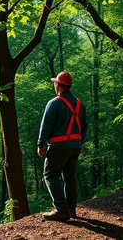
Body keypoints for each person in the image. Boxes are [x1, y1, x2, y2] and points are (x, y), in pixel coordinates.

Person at [37, 71, 87, 221]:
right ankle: (71, 209)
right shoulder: (79, 104)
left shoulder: (54, 103)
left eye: (55, 83)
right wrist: (79, 143)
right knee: (69, 177)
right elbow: (84, 126)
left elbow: (46, 125)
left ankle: (61, 209)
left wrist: (40, 144)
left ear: (58, 85)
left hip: (59, 146)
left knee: (50, 175)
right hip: (75, 146)